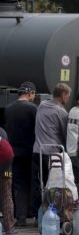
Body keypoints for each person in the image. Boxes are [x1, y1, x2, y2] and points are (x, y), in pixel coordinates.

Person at [32, 83, 72, 212]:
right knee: (53, 184)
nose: (68, 99)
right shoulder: (61, 112)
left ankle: (39, 211)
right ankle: (52, 210)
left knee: (40, 183)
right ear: (63, 95)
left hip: (37, 150)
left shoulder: (42, 106)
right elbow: (65, 133)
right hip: (52, 153)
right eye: (68, 96)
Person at [3, 81, 38, 226]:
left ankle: (21, 216)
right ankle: (34, 214)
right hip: (30, 151)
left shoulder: (8, 109)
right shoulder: (33, 108)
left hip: (13, 152)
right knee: (33, 182)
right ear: (30, 93)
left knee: (17, 184)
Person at [0, 127, 17, 234]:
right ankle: (9, 226)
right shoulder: (2, 132)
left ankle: (8, 226)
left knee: (6, 195)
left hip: (4, 161)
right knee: (6, 194)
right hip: (7, 164)